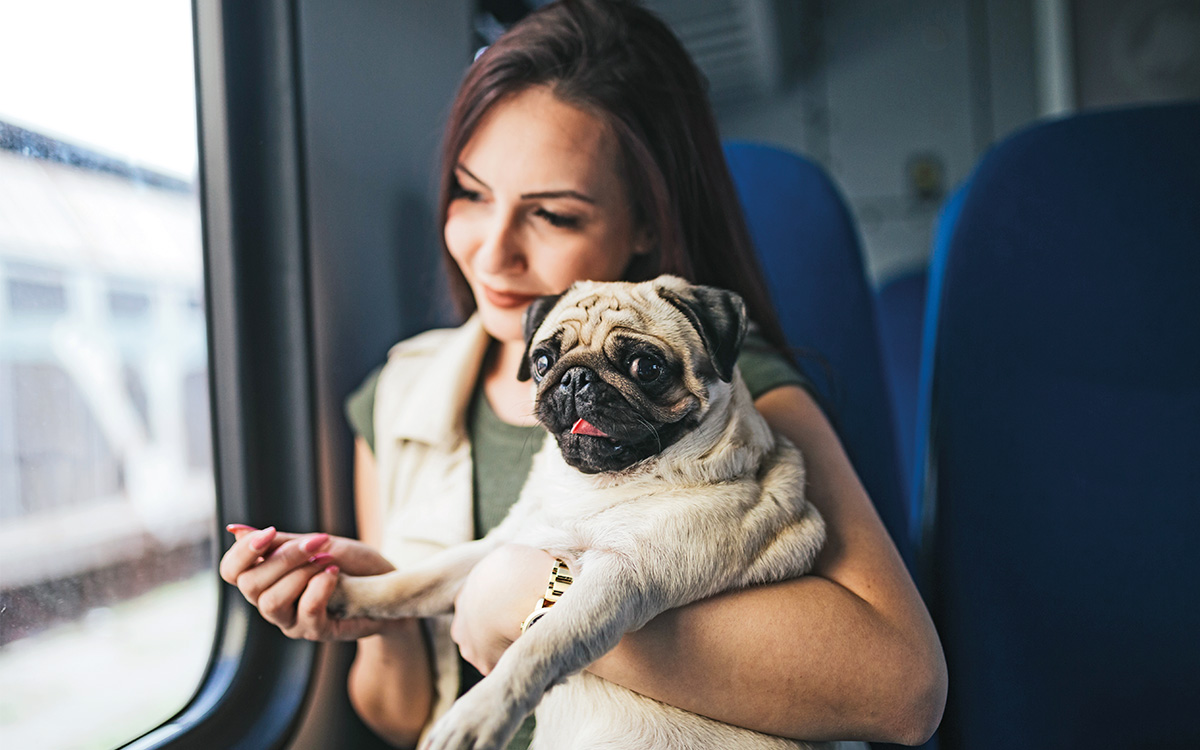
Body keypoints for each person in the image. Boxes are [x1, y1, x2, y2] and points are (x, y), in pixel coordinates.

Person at [219, 1, 947, 748]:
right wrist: (381, 609)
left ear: (647, 226)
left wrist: (528, 592)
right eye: (470, 193)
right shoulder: (400, 399)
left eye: (553, 216)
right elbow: (407, 718)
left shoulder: (734, 387)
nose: (493, 252)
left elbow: (903, 692)